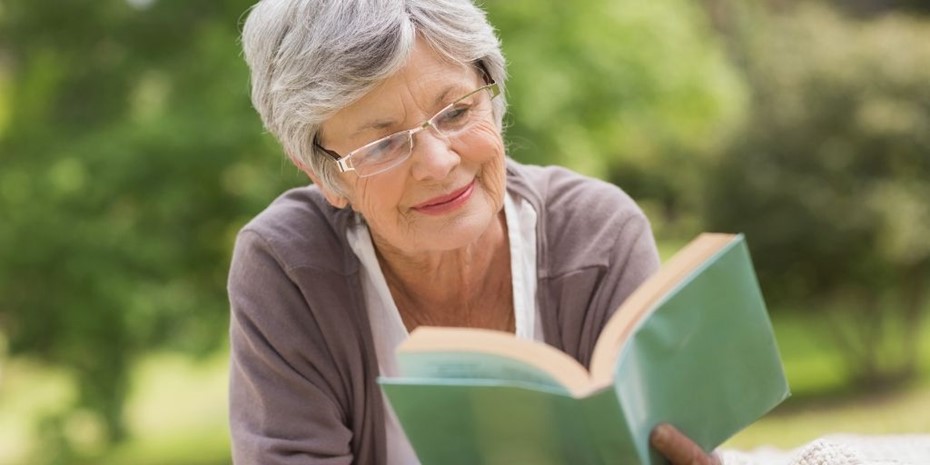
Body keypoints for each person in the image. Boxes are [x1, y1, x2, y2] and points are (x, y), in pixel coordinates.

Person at [228, 0, 720, 464]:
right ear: (324, 176)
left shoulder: (598, 233)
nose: (438, 163)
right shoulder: (286, 268)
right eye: (382, 145)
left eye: (457, 112)